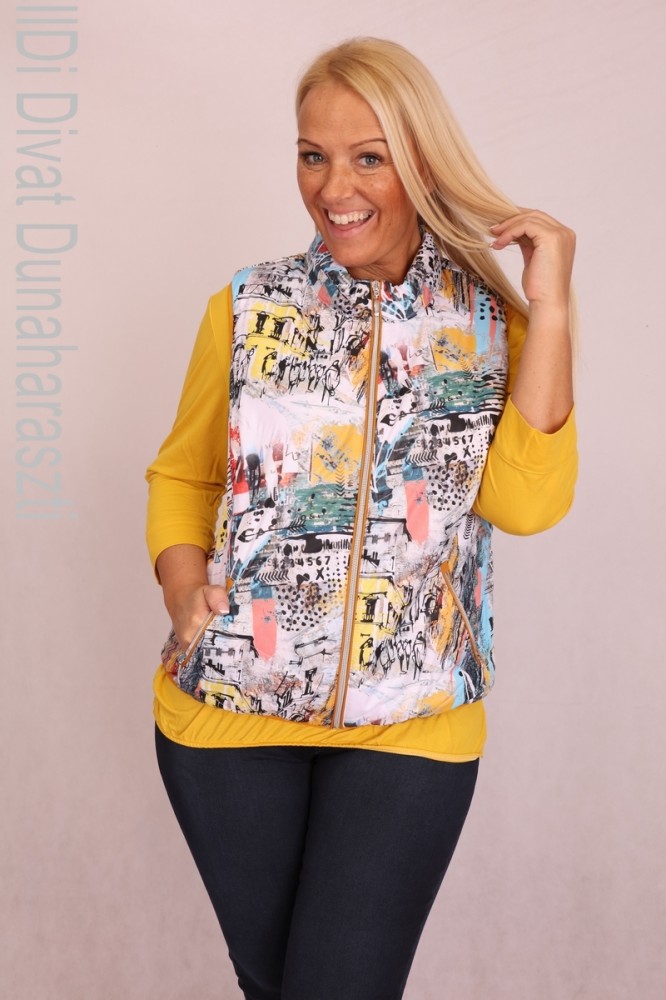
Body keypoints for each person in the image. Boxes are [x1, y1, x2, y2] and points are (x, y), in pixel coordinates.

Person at [145, 36, 577, 1000]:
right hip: (227, 716)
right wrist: (181, 587)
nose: (333, 188)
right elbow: (182, 475)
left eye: (367, 157)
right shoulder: (246, 309)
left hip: (412, 721)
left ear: (420, 161)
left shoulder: (494, 328)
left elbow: (528, 502)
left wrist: (548, 311)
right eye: (313, 155)